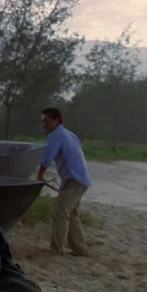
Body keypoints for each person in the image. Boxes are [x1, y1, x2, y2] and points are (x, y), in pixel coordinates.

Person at [36, 107, 92, 256]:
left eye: (46, 121)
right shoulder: (69, 134)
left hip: (74, 181)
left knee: (61, 212)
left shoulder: (55, 135)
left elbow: (47, 159)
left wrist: (39, 175)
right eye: (42, 121)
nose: (44, 124)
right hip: (81, 180)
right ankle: (80, 250)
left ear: (57, 120)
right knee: (71, 214)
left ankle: (56, 249)